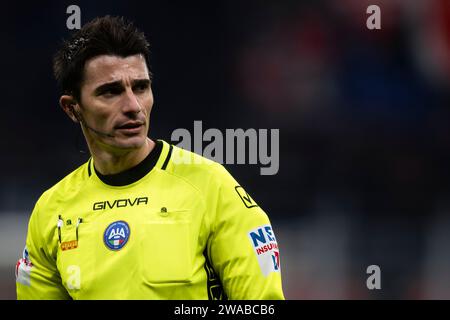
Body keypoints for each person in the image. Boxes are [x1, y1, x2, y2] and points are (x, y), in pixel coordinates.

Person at [15, 15, 284, 300]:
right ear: (73, 108)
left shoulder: (211, 188)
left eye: (140, 87)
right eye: (110, 92)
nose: (133, 106)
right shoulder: (50, 211)